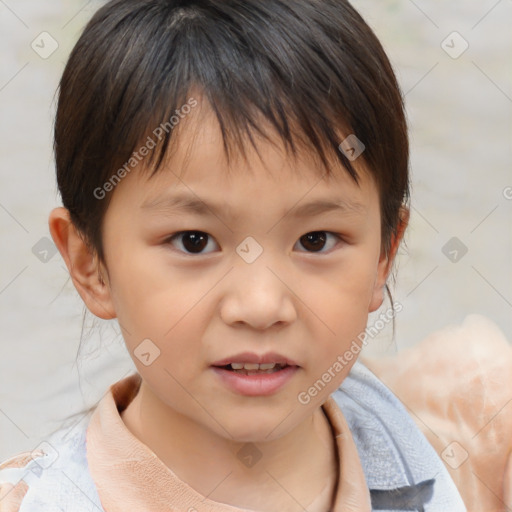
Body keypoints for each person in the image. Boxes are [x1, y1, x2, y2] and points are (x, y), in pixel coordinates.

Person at [0, 0, 467, 510]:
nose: (262, 306)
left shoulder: (427, 450)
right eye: (193, 241)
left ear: (384, 255)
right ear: (90, 264)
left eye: (315, 240)